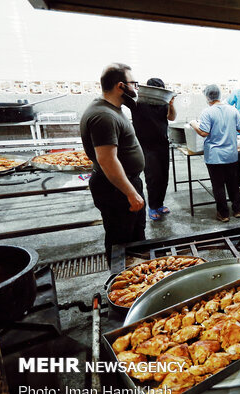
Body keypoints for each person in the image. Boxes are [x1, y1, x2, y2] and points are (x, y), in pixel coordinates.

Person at [80, 63, 145, 265]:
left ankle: (139, 280)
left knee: (135, 239)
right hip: (116, 190)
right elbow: (107, 160)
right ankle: (121, 286)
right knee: (121, 241)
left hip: (124, 185)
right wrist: (130, 193)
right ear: (120, 86)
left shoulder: (112, 109)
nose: (135, 88)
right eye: (133, 83)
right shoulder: (104, 116)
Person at [189, 84, 240, 222]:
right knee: (233, 183)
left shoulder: (207, 112)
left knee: (218, 185)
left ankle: (223, 214)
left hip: (215, 157)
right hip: (231, 155)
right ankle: (237, 210)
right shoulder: (233, 110)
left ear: (207, 97)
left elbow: (203, 132)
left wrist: (193, 124)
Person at [131, 78, 176, 221]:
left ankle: (160, 204)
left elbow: (172, 117)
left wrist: (170, 104)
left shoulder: (163, 105)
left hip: (162, 144)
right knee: (153, 177)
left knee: (164, 177)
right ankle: (152, 206)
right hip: (146, 147)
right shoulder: (138, 105)